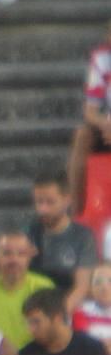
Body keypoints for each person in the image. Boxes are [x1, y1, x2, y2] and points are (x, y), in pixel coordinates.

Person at [26, 170, 98, 313]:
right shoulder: (28, 234)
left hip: (66, 309)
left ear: (67, 200)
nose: (43, 209)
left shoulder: (82, 237)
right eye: (39, 202)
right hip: (32, 308)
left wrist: (58, 315)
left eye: (50, 202)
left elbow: (81, 287)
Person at [0, 231, 54, 350]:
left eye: (21, 254)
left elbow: (51, 332)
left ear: (30, 258)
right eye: (7, 253)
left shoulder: (43, 288)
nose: (14, 260)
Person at [67, 19, 111, 216]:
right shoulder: (102, 58)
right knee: (82, 135)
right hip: (108, 126)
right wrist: (106, 124)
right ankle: (75, 213)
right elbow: (90, 111)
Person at [18, 288, 107, 355]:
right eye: (29, 323)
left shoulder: (92, 349)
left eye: (36, 322)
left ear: (58, 318)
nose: (30, 330)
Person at [73, 264, 111, 355]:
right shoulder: (81, 312)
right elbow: (82, 341)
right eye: (98, 282)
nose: (104, 288)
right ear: (90, 288)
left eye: (110, 281)